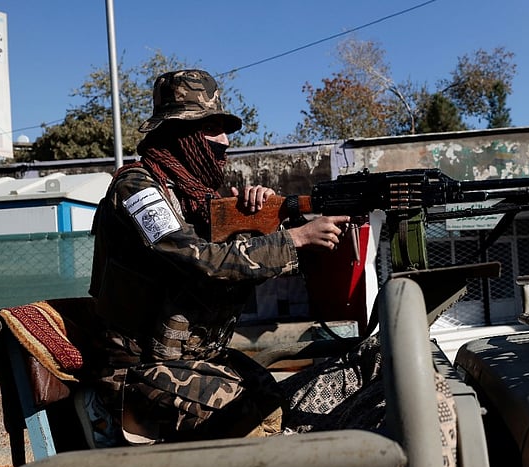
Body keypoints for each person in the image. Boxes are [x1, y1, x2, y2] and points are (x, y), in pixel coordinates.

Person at [86, 69, 350, 445]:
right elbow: (200, 259)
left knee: (273, 404)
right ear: (179, 133)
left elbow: (236, 266)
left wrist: (265, 221)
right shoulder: (136, 188)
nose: (225, 142)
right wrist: (293, 240)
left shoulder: (195, 197)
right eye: (211, 127)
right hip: (139, 370)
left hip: (198, 358)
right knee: (246, 422)